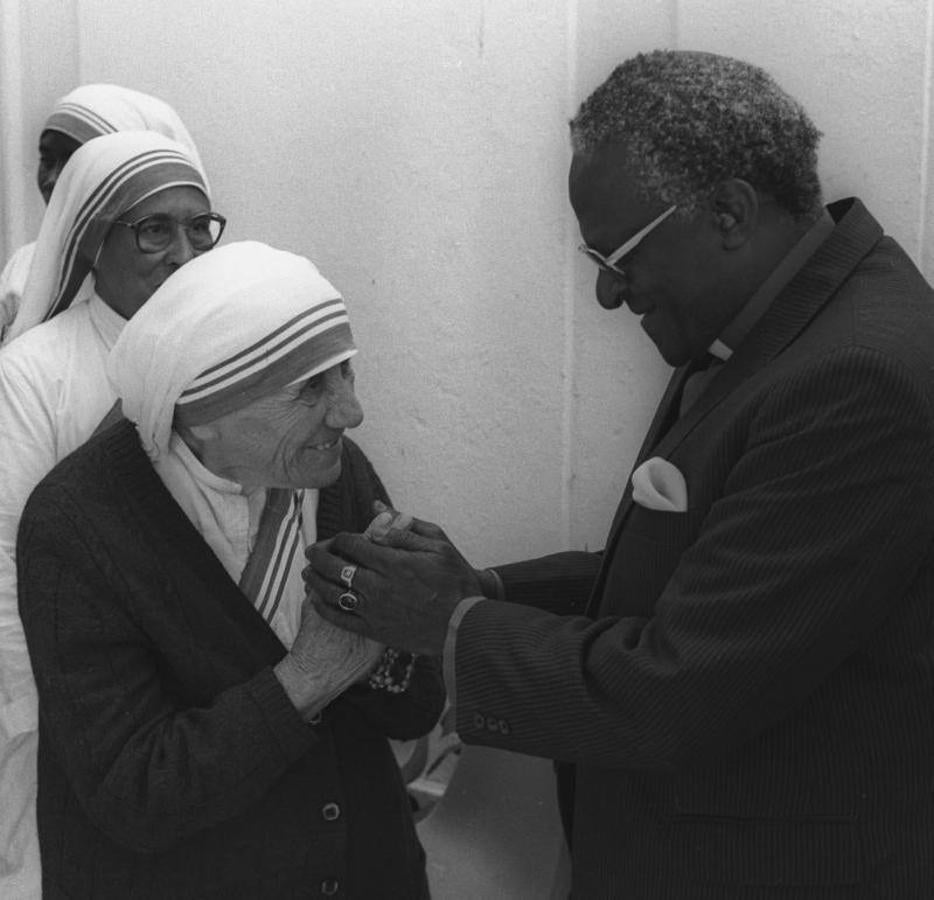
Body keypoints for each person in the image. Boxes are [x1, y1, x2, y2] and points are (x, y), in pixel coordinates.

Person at [305, 49, 934, 898]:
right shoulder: (778, 315)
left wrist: (445, 627)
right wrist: (483, 588)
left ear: (728, 213)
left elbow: (682, 688)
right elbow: (702, 577)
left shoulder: (856, 379)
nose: (607, 296)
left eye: (619, 259)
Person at [16, 241, 442, 899]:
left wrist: (412, 622)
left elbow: (411, 710)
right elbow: (134, 794)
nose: (350, 412)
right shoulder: (79, 528)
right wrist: (304, 679)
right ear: (205, 410)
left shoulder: (334, 475)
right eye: (309, 389)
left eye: (346, 373)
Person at [0, 130, 219, 899]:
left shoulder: (225, 353)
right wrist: (45, 721)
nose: (184, 251)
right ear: (92, 242)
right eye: (154, 229)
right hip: (80, 709)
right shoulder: (34, 374)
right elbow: (7, 566)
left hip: (207, 704)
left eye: (200, 228)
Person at [0, 83, 204, 344]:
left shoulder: (190, 274)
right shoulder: (24, 266)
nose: (53, 179)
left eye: (78, 163)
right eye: (48, 159)